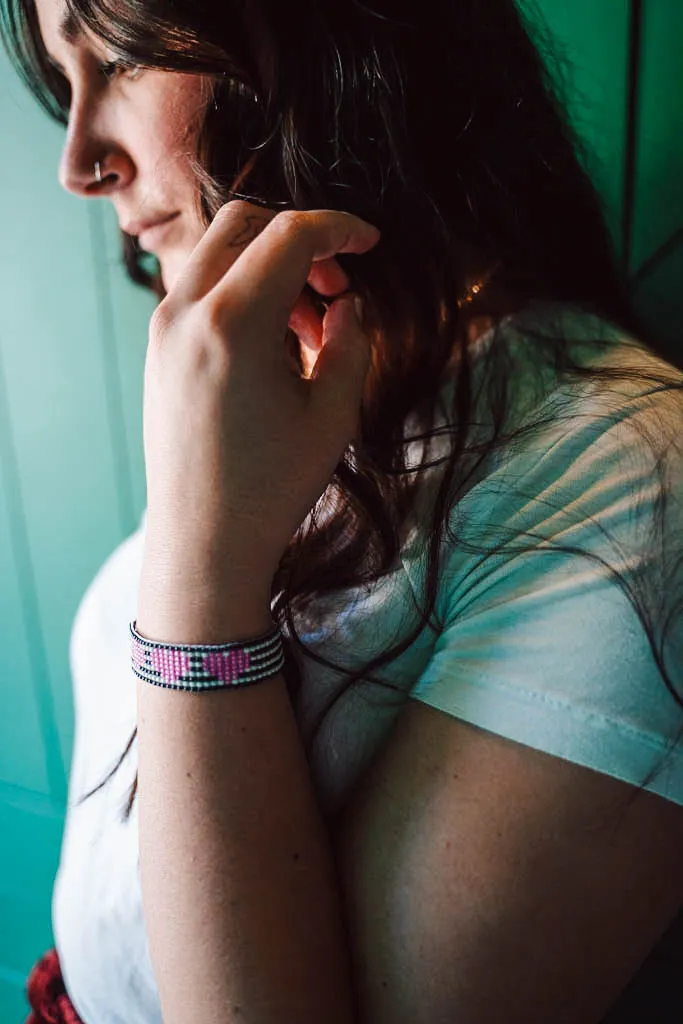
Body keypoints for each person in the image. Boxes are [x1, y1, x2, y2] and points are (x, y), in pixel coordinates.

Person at [3, 0, 683, 1020]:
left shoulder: (627, 488)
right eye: (65, 82)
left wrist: (203, 571)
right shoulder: (273, 394)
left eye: (123, 58)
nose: (79, 160)